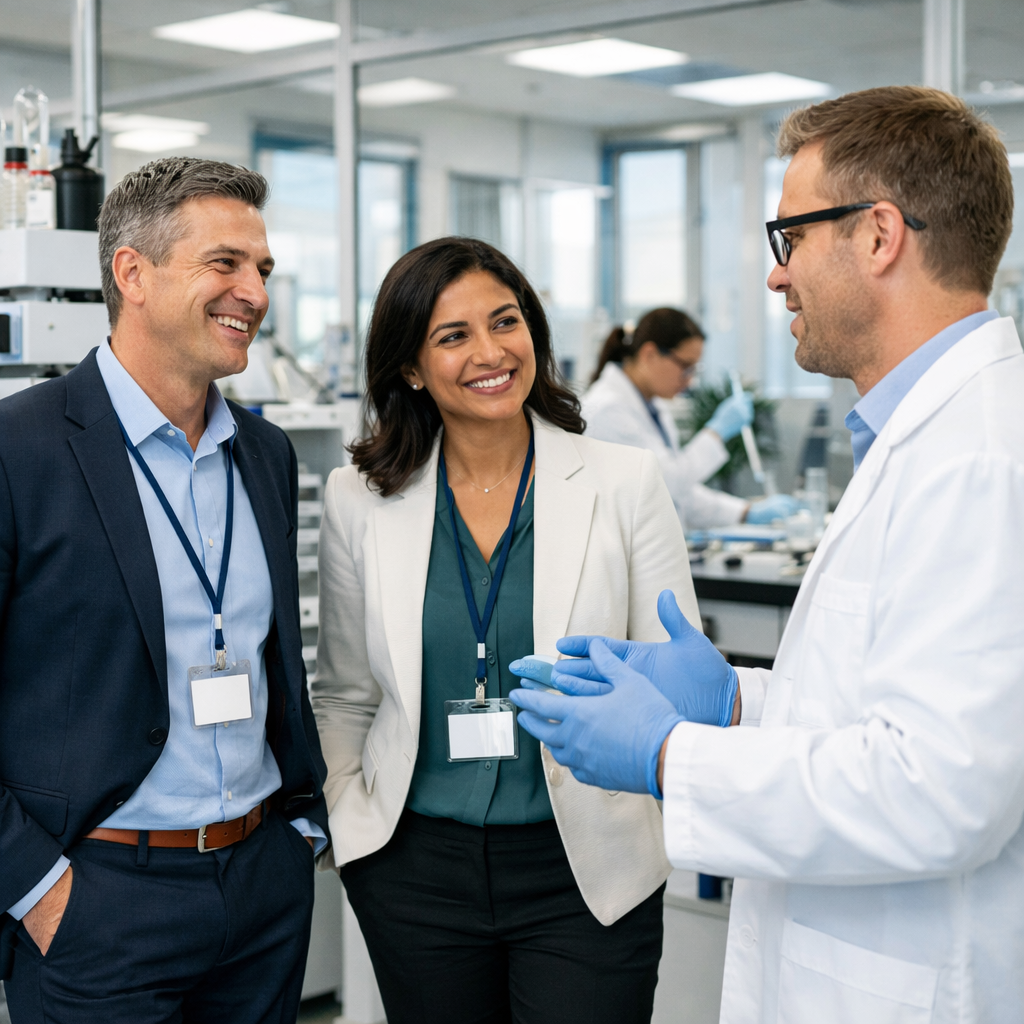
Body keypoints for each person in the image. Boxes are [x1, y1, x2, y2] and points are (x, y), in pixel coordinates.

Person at [510, 86, 1024, 1023]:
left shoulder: (977, 459)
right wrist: (740, 700)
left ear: (878, 236)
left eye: (789, 238)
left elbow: (942, 790)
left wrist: (674, 755)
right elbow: (885, 713)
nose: (777, 277)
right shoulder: (927, 436)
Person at [311, 237, 697, 1024]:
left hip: (586, 865)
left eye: (505, 322)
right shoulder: (357, 498)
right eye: (453, 336)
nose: (490, 352)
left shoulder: (623, 483)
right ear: (411, 367)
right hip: (414, 869)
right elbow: (345, 693)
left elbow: (671, 683)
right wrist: (355, 835)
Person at [0, 157, 329, 1024]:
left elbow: (275, 668)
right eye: (225, 264)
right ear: (132, 274)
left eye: (263, 270)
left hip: (260, 886)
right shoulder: (20, 448)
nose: (254, 292)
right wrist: (38, 890)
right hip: (97, 899)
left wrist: (301, 836)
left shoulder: (265, 455)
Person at [583, 309, 798, 529]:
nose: (690, 380)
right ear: (649, 354)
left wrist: (745, 512)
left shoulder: (652, 406)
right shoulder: (608, 410)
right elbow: (667, 485)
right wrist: (716, 432)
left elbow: (682, 494)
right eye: (686, 366)